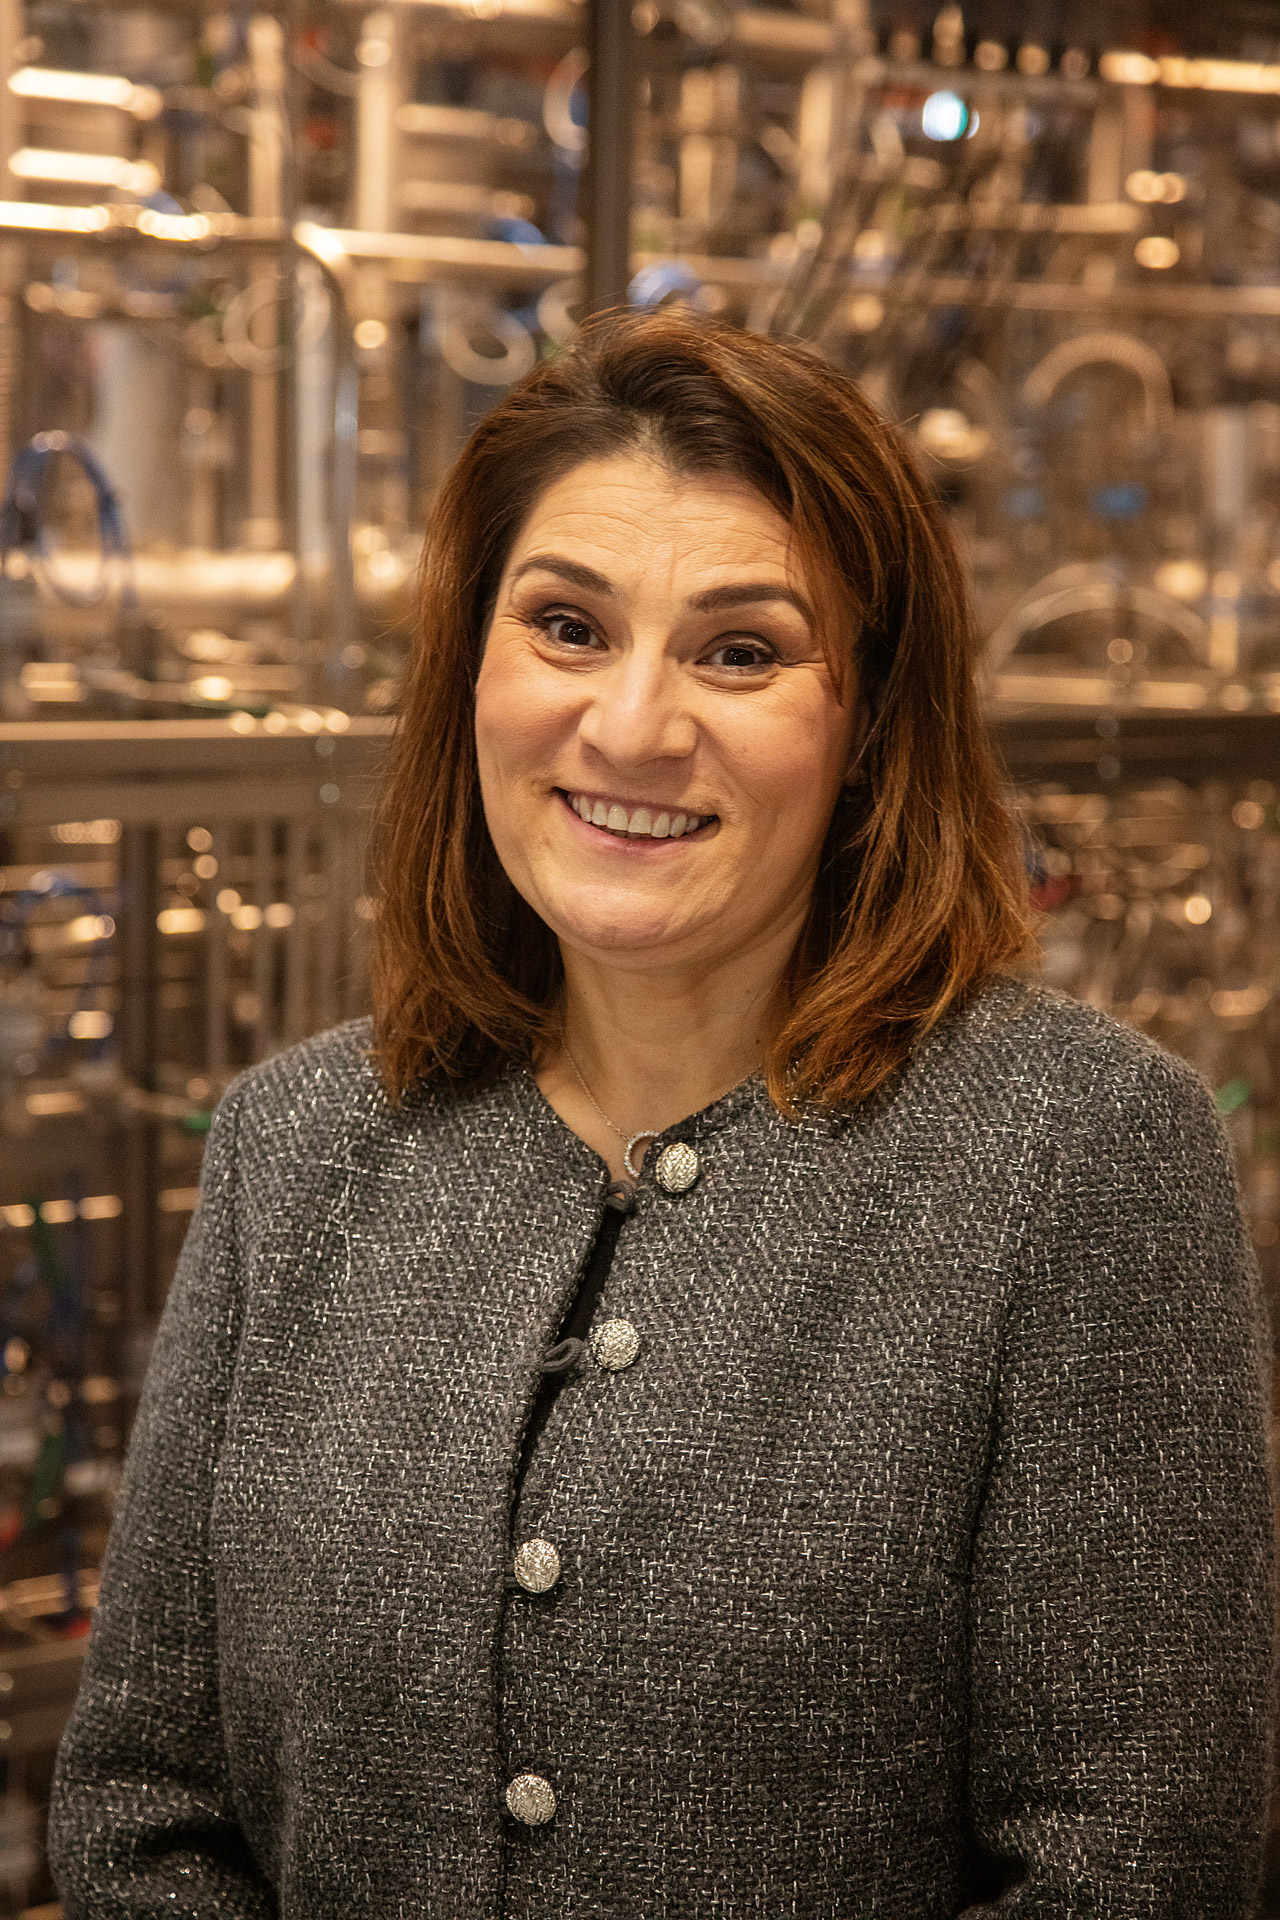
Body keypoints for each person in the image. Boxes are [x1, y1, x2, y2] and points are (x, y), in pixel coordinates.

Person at [49, 312, 1273, 1918]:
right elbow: (143, 1807)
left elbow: (1138, 1860)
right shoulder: (301, 1144)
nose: (631, 726)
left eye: (740, 652)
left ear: (868, 723)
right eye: (567, 626)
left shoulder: (1080, 1154)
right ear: (471, 663)